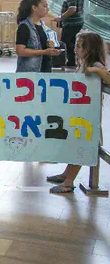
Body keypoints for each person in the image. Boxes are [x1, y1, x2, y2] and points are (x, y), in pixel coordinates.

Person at [48, 32, 108, 194]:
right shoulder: (83, 64)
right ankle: (66, 173)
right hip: (78, 113)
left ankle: (69, 182)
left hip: (88, 117)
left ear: (89, 49)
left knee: (82, 146)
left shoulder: (96, 65)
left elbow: (108, 78)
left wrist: (96, 70)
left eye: (79, 46)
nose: (75, 49)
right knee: (74, 144)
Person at [15, 0, 61, 73]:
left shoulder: (42, 25)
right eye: (45, 6)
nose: (48, 9)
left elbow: (42, 46)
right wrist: (44, 52)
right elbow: (20, 51)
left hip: (45, 69)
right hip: (30, 72)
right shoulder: (24, 26)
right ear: (34, 8)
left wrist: (51, 47)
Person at [57, 0, 84, 68]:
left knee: (64, 42)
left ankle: (60, 61)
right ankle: (72, 62)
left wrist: (61, 17)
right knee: (71, 42)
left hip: (71, 23)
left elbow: (72, 9)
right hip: (78, 22)